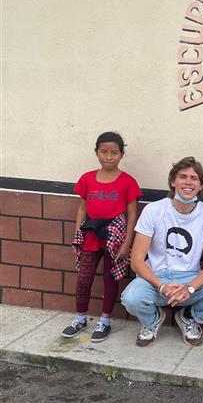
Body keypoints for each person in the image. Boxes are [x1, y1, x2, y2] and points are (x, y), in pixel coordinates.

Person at [121, 156, 203, 347]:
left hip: (190, 279)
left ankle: (189, 317)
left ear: (201, 186)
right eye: (182, 176)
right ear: (173, 182)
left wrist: (190, 288)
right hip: (156, 278)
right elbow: (136, 260)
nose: (188, 182)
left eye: (194, 178)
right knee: (131, 298)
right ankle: (153, 320)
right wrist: (161, 286)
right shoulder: (154, 210)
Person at [62, 132, 141, 342]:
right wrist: (78, 236)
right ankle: (80, 318)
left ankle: (105, 321)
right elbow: (82, 209)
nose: (108, 157)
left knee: (110, 279)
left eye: (114, 153)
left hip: (114, 235)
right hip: (91, 234)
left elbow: (132, 214)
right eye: (103, 152)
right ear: (96, 152)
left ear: (121, 155)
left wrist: (127, 243)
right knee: (83, 279)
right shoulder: (87, 179)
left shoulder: (128, 182)